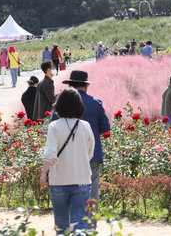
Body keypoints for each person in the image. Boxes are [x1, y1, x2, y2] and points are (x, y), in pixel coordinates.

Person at [40, 89, 95, 234]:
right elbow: (89, 153)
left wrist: (44, 173)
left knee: (61, 225)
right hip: (82, 179)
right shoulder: (85, 126)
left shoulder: (54, 126)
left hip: (59, 180)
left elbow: (50, 154)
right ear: (79, 106)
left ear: (59, 106)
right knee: (80, 224)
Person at [61, 70, 110, 228]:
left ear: (69, 86)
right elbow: (105, 128)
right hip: (91, 155)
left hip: (67, 157)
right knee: (91, 194)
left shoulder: (60, 105)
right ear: (86, 86)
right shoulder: (95, 103)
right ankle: (89, 229)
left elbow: (54, 128)